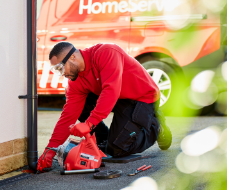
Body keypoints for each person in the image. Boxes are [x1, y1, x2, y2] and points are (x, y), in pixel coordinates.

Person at [37, 42, 171, 172]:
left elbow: (111, 90)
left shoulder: (107, 53)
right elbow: (68, 116)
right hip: (118, 98)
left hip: (142, 97)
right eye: (57, 71)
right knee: (81, 106)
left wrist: (89, 124)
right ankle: (103, 139)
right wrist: (50, 151)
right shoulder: (75, 82)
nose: (62, 74)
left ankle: (156, 126)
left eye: (60, 68)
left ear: (72, 57)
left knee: (119, 149)